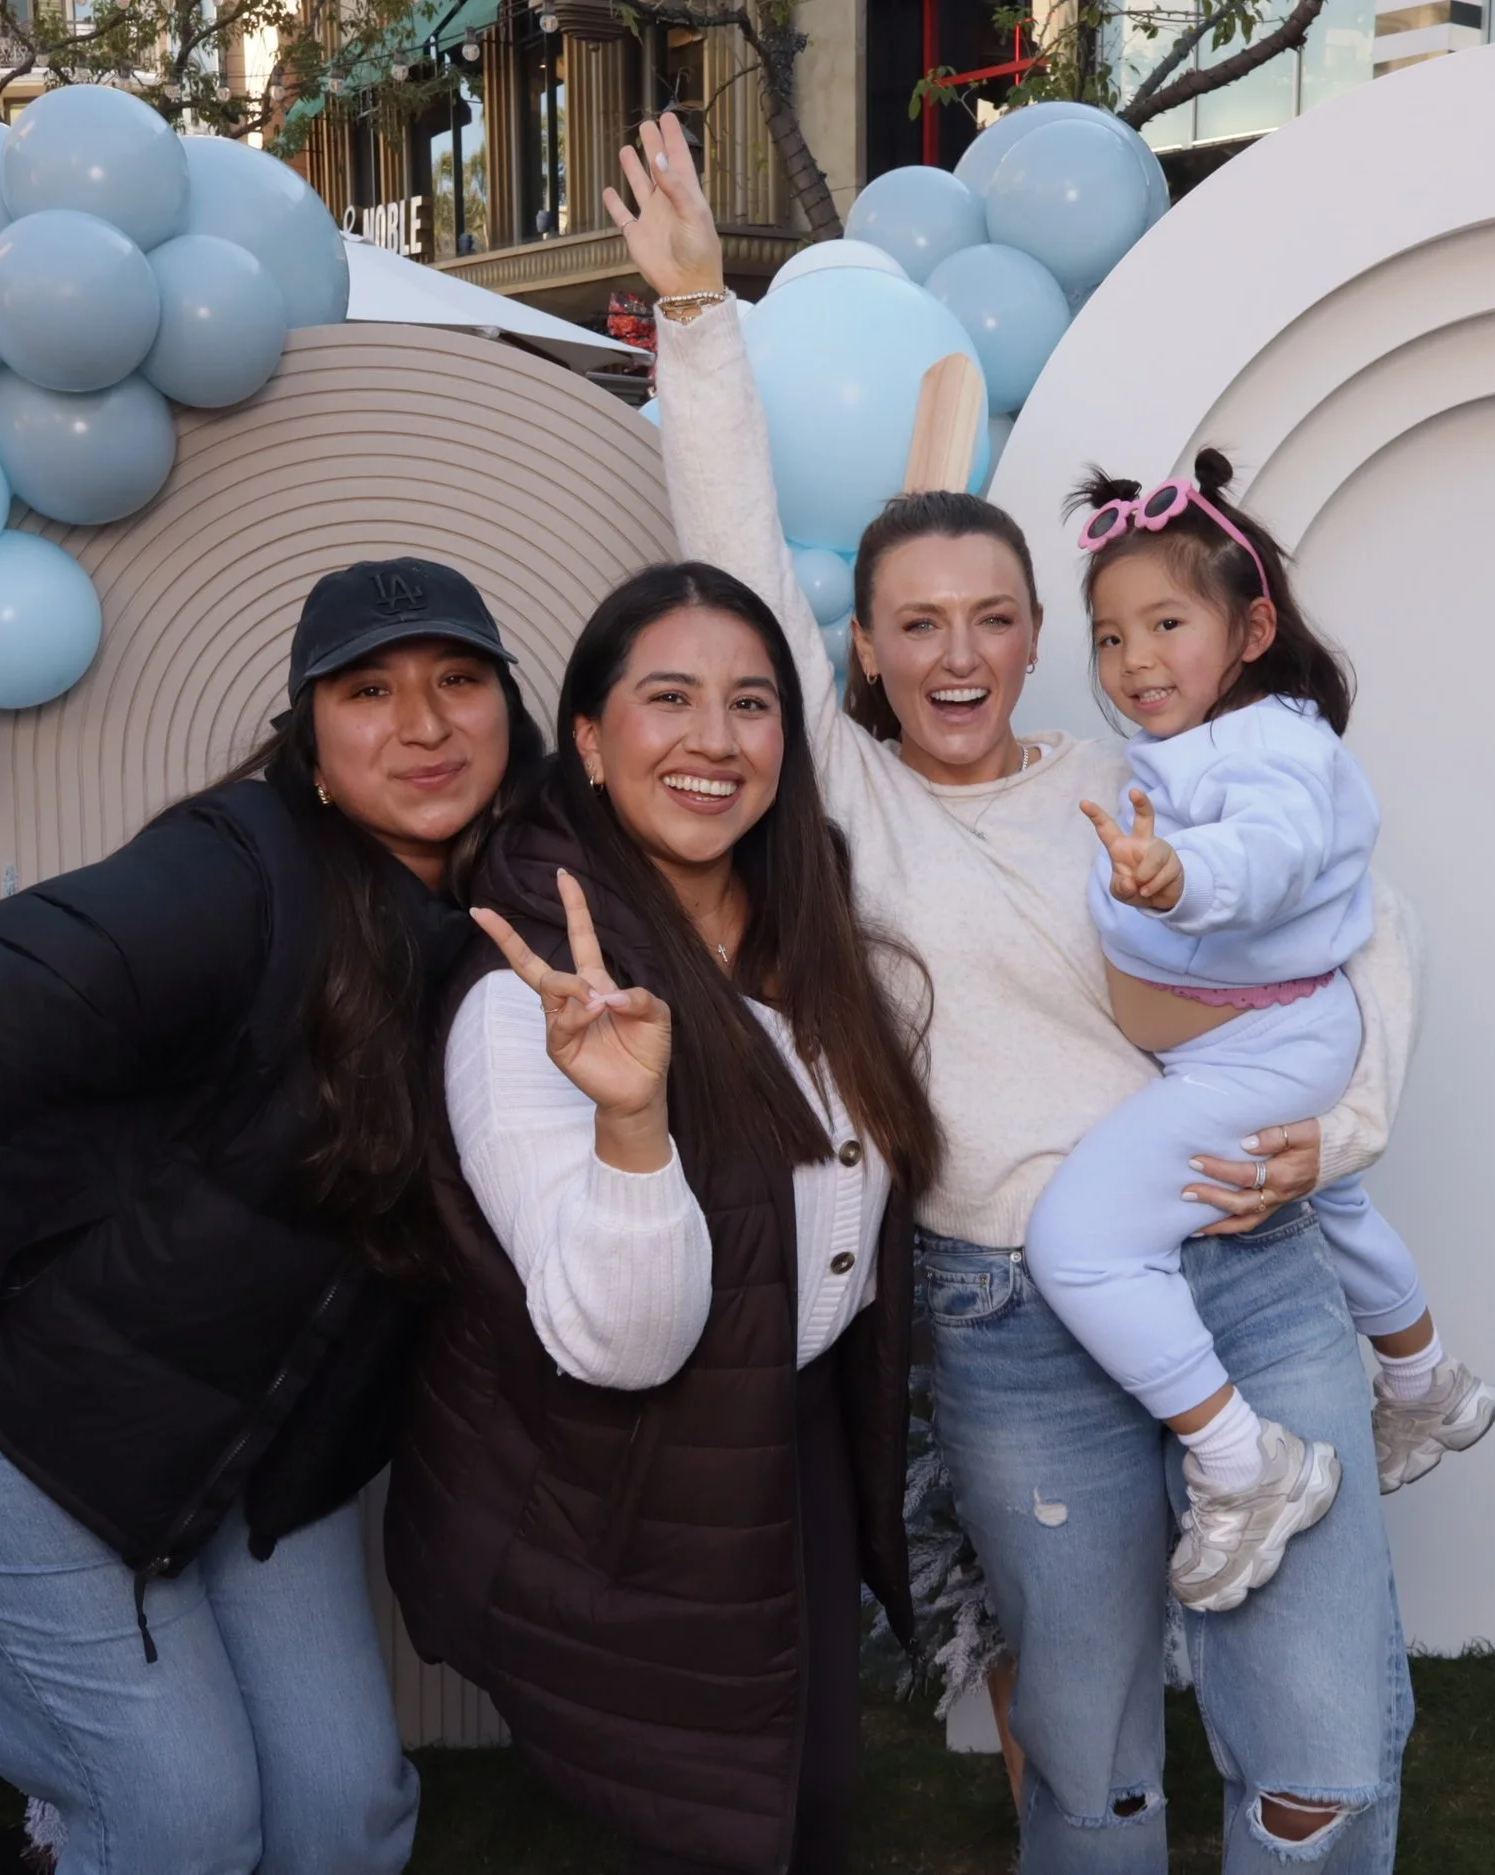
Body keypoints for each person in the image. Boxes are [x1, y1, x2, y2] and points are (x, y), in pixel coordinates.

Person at [613, 114, 1421, 1871]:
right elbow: (738, 553)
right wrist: (697, 321)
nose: (959, 651)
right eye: (918, 622)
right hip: (1013, 1327)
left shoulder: (1150, 773)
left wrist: (1332, 1133)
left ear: (1037, 636)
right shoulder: (842, 800)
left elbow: (1357, 945)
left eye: (993, 614)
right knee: (1089, 1770)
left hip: (1249, 1269)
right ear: (865, 651)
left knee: (1320, 1764)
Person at [0, 558, 542, 1875]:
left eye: (459, 681)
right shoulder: (241, 869)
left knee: (341, 1814)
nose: (423, 724)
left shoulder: (533, 908)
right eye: (371, 690)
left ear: (512, 711)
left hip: (244, 1446)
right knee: (180, 1821)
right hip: (4, 1406)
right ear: (312, 739)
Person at [384, 560, 942, 1875]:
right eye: (668, 697)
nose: (713, 739)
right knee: (716, 1820)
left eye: (750, 703)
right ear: (588, 734)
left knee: (802, 1803)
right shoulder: (533, 989)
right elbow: (621, 1341)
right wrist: (633, 1119)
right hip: (630, 1487)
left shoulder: (806, 924)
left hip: (781, 1438)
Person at [1023, 460, 1495, 1615]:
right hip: (1267, 1038)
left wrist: (1179, 875)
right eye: (1107, 637)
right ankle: (1426, 1379)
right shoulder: (1213, 741)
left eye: (1167, 624)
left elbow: (1270, 853)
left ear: (1251, 629)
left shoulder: (1269, 753)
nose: (1133, 660)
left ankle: (1246, 1466)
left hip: (1263, 1048)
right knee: (1332, 1210)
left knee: (1080, 1245)